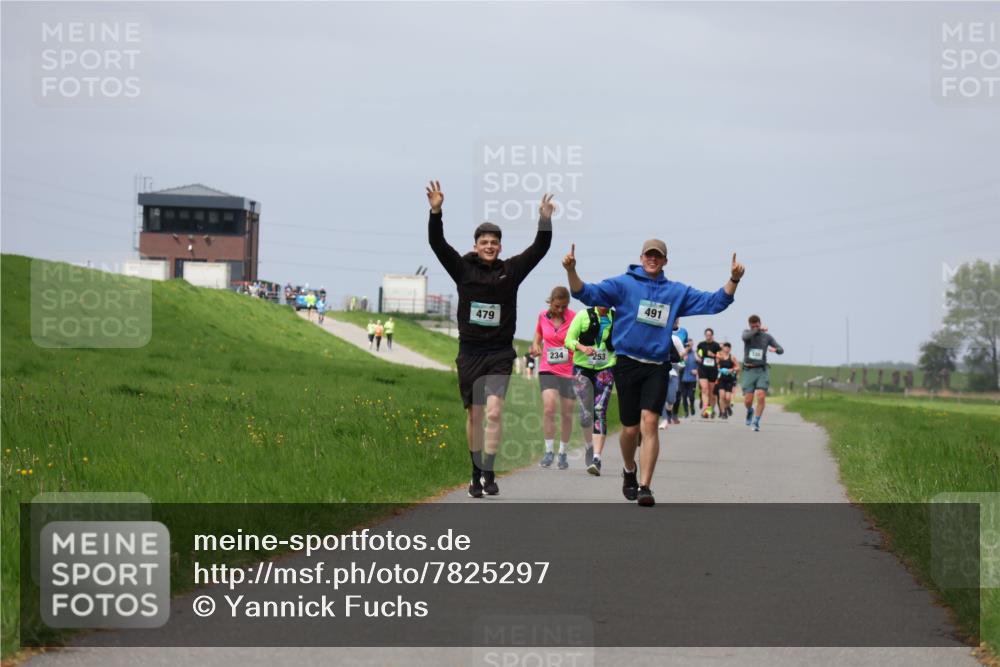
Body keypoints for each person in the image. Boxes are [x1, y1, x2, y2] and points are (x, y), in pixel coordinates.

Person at [564, 240, 744, 507]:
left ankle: (645, 486)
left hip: (657, 366)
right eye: (649, 255)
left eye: (658, 256)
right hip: (627, 363)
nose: (653, 259)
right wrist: (571, 270)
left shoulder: (675, 292)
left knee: (649, 422)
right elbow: (586, 293)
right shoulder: (624, 284)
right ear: (641, 257)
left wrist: (734, 279)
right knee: (629, 429)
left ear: (665, 261)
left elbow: (714, 302)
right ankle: (629, 469)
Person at [427, 180, 554, 498]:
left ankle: (489, 470)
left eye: (494, 242)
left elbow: (538, 250)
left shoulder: (510, 271)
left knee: (494, 411)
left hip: (499, 352)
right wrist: (436, 212)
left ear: (500, 246)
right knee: (475, 414)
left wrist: (544, 219)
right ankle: (474, 471)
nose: (489, 246)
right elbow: (437, 244)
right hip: (470, 353)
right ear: (476, 245)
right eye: (484, 242)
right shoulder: (462, 270)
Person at [565, 304, 617, 476]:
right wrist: (582, 348)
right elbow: (568, 340)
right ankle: (589, 445)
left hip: (606, 368)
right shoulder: (582, 315)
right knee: (586, 414)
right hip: (582, 368)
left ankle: (596, 458)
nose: (603, 304)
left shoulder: (617, 318)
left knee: (599, 410)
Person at [531, 287, 577, 470]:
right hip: (548, 368)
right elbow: (538, 334)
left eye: (564, 306)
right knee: (549, 408)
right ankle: (549, 451)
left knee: (567, 412)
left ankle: (562, 452)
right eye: (557, 306)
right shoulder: (542, 316)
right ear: (551, 302)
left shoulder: (574, 317)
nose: (560, 310)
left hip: (569, 370)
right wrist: (536, 345)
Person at [741, 314, 784, 432]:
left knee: (761, 395)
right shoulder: (747, 334)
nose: (755, 327)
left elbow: (781, 349)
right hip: (749, 370)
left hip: (762, 370)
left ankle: (756, 421)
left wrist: (776, 350)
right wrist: (757, 330)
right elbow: (745, 336)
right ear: (749, 325)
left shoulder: (767, 337)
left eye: (757, 325)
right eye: (752, 325)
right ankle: (750, 411)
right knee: (748, 400)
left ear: (760, 323)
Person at [659, 332, 687, 429]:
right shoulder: (656, 336)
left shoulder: (675, 339)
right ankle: (664, 419)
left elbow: (682, 353)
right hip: (659, 370)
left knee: (671, 399)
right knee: (661, 396)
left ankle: (669, 409)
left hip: (673, 370)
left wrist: (675, 356)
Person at [697, 328, 721, 418]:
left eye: (709, 335)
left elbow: (720, 356)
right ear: (705, 335)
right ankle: (705, 410)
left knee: (711, 392)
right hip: (703, 369)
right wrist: (698, 357)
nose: (708, 337)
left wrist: (713, 355)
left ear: (712, 335)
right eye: (707, 335)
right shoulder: (701, 344)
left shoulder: (716, 345)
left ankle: (710, 409)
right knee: (704, 389)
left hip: (712, 370)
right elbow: (698, 353)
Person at [715, 342, 740, 420]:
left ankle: (728, 406)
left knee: (728, 398)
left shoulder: (732, 357)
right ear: (723, 348)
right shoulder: (719, 357)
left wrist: (732, 369)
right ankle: (723, 412)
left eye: (728, 348)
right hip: (721, 379)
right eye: (725, 347)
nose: (726, 349)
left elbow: (738, 367)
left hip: (729, 379)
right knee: (722, 396)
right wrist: (718, 369)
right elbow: (715, 365)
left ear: (730, 349)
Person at [679, 341, 698, 418]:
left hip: (692, 379)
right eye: (686, 345)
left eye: (689, 345)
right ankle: (686, 411)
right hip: (683, 379)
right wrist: (684, 356)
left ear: (692, 345)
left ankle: (692, 406)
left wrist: (697, 370)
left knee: (691, 396)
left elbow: (700, 363)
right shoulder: (682, 354)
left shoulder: (695, 354)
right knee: (684, 396)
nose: (688, 347)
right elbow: (678, 364)